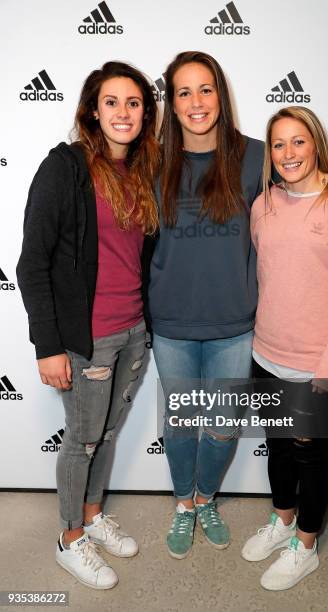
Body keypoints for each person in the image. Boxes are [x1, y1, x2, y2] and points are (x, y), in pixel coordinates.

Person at [16, 61, 160, 589]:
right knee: (82, 439)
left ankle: (93, 515)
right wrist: (48, 345)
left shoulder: (141, 172)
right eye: (111, 102)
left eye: (134, 103)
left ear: (146, 112)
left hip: (134, 332)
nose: (123, 112)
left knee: (106, 433)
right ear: (92, 110)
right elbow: (32, 263)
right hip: (88, 340)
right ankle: (69, 539)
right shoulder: (66, 167)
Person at [242, 106, 328, 590]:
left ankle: (305, 545)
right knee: (277, 449)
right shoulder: (264, 205)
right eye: (278, 144)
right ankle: (282, 521)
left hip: (317, 365)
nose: (288, 153)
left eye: (298, 141)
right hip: (266, 355)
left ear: (316, 142)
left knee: (310, 457)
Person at [149, 51, 264, 559]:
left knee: (219, 428)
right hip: (170, 323)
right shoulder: (152, 162)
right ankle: (182, 504)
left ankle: (206, 498)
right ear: (171, 104)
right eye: (183, 92)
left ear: (221, 93)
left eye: (205, 89)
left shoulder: (257, 157)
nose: (196, 102)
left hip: (233, 324)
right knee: (178, 425)